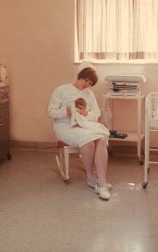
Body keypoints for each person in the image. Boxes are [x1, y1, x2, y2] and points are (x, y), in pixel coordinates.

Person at [47, 67, 112, 200]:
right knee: (88, 139)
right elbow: (51, 111)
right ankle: (90, 177)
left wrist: (86, 113)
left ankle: (102, 182)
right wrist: (67, 112)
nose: (86, 85)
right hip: (64, 127)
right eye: (86, 80)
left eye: (90, 84)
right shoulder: (62, 90)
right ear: (79, 76)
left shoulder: (89, 94)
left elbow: (96, 115)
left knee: (101, 137)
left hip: (84, 125)